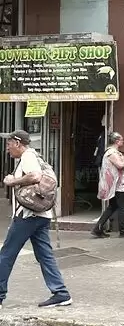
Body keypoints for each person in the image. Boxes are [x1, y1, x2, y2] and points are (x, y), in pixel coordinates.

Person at [0, 130, 71, 308]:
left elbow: (35, 176)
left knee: (6, 254)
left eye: (9, 143)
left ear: (18, 143)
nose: (7, 148)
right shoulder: (36, 156)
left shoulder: (27, 157)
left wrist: (12, 181)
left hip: (27, 216)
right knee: (45, 256)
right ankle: (61, 293)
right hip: (41, 216)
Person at [91, 132, 124, 239]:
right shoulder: (111, 153)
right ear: (116, 141)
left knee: (112, 207)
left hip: (118, 184)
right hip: (118, 185)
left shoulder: (113, 152)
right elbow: (120, 165)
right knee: (123, 207)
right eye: (121, 140)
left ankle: (97, 229)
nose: (123, 141)